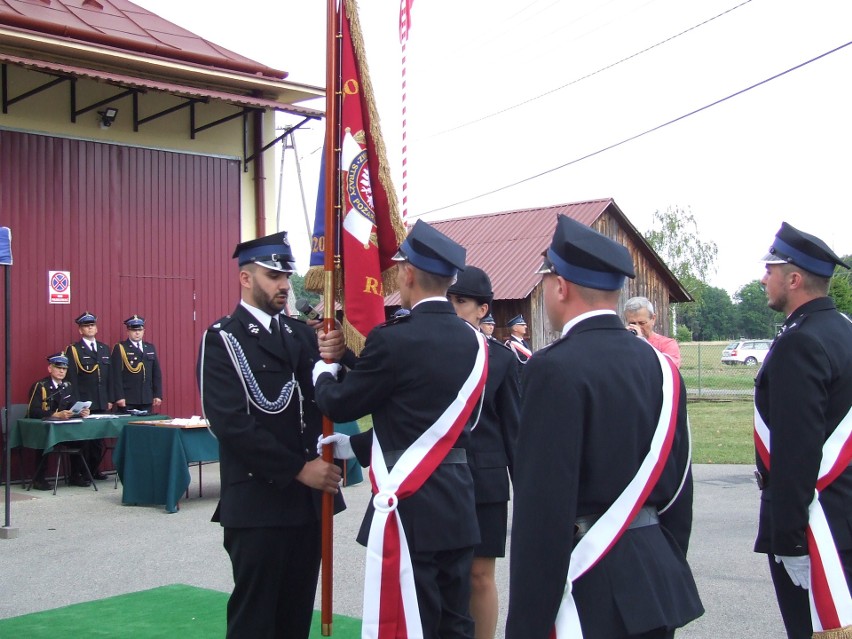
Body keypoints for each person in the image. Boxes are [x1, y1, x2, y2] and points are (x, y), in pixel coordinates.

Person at [505, 215, 703, 639]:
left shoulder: (553, 368)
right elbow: (680, 487)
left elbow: (542, 510)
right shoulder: (663, 369)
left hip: (588, 582)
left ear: (560, 286)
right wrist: (664, 558)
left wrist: (527, 622)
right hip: (655, 576)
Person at [314, 219, 488, 639]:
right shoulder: (475, 342)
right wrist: (351, 359)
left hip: (411, 504)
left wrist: (323, 373)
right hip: (458, 501)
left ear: (407, 273)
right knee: (456, 621)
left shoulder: (393, 339)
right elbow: (413, 389)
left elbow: (343, 402)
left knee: (414, 620)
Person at [197, 231, 345, 639]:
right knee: (255, 621)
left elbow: (331, 397)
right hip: (258, 503)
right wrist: (299, 468)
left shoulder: (301, 334)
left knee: (295, 619)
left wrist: (341, 354)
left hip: (307, 506)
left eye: (285, 276)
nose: (284, 285)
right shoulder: (223, 338)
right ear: (246, 278)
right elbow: (231, 424)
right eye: (273, 276)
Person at [753, 222, 852, 639]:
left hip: (819, 526)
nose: (764, 279)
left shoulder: (801, 342)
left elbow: (796, 451)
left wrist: (791, 540)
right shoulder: (844, 328)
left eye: (770, 270)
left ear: (793, 279)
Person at [446, 266, 520, 639]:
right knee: (443, 573)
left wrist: (529, 494)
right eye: (448, 299)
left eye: (461, 301)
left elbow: (514, 430)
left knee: (479, 575)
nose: (452, 308)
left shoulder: (502, 359)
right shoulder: (430, 351)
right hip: (438, 477)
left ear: (483, 309)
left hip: (485, 481)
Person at [26, 353, 92, 489]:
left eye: (64, 369)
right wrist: (55, 414)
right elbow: (32, 411)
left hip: (63, 429)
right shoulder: (41, 386)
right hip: (45, 428)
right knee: (45, 440)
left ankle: (75, 475)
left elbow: (72, 406)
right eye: (58, 368)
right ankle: (39, 479)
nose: (62, 371)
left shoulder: (67, 386)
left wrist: (81, 411)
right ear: (50, 369)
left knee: (82, 438)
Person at [64, 311, 112, 479]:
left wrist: (109, 398)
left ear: (96, 328)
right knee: (82, 440)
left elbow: (109, 377)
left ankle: (93, 470)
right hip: (84, 401)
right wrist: (77, 403)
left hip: (100, 400)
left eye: (92, 325)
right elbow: (72, 379)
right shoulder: (74, 350)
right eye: (86, 326)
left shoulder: (104, 348)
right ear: (80, 330)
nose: (90, 328)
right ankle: (77, 473)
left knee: (97, 440)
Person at [111, 315, 162, 413]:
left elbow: (156, 373)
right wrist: (119, 396)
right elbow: (116, 375)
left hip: (146, 397)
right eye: (134, 330)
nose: (137, 333)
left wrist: (157, 394)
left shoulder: (150, 347)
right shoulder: (121, 348)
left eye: (140, 330)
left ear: (144, 331)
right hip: (128, 398)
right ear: (128, 331)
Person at [623, 296, 682, 368]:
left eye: (642, 323)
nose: (637, 327)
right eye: (632, 323)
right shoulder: (624, 344)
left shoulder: (667, 344)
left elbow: (669, 369)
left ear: (653, 319)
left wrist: (641, 342)